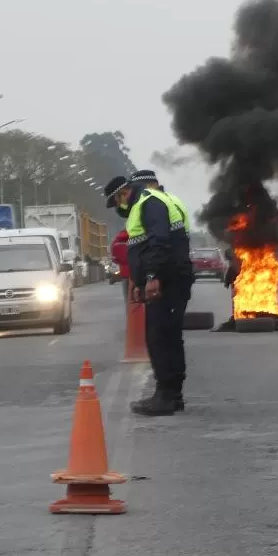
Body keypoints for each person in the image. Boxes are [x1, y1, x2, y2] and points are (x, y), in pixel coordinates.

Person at [104, 169, 195, 416]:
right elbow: (140, 249)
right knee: (167, 336)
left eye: (116, 202)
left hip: (168, 279)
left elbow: (159, 242)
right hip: (169, 278)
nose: (117, 208)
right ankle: (171, 395)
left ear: (124, 193)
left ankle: (166, 396)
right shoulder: (154, 202)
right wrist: (137, 280)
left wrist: (152, 277)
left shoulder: (149, 203)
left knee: (160, 337)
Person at [110, 229, 130, 303]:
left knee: (128, 300)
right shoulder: (138, 236)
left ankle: (129, 313)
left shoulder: (118, 239)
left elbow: (114, 257)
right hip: (138, 273)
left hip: (125, 274)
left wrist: (122, 262)